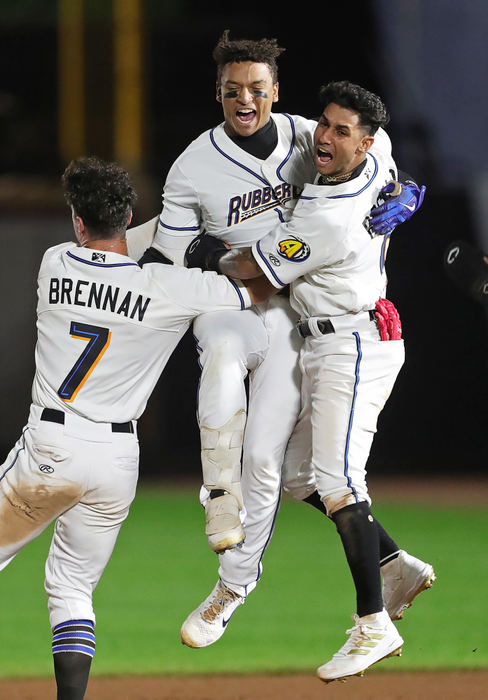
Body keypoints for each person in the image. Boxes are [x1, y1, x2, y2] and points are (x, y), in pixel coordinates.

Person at [128, 31, 424, 568]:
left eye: (257, 89)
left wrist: (399, 190)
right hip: (239, 304)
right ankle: (219, 494)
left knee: (271, 463)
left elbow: (374, 146)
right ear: (217, 93)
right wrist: (190, 259)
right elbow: (165, 255)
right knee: (219, 350)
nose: (245, 100)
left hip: (300, 315)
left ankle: (240, 583)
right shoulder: (194, 165)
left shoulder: (311, 136)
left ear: (276, 90)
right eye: (232, 89)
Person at [184, 81, 434, 683]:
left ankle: (373, 621)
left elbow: (256, 273)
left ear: (362, 142)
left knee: (340, 481)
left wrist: (211, 254)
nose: (324, 136)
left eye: (341, 131)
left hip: (352, 343)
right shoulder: (376, 159)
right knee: (301, 476)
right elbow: (390, 155)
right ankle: (395, 563)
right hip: (332, 337)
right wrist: (406, 188)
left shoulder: (329, 218)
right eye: (324, 123)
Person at [0, 156, 271, 700]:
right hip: (118, 460)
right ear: (126, 213)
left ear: (77, 222)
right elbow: (258, 289)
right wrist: (211, 251)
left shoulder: (55, 262)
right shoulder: (170, 287)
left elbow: (113, 241)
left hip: (52, 445)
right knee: (72, 587)